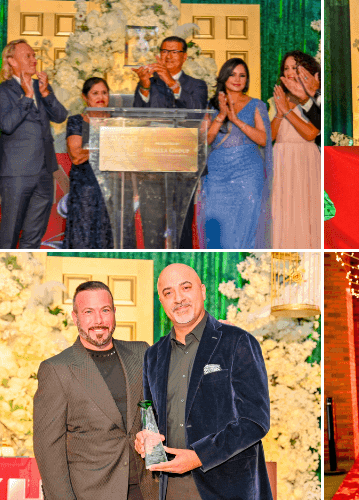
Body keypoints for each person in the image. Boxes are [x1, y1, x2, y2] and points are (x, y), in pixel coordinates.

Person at [135, 263, 272, 500]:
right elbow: (151, 418)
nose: (178, 298)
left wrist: (199, 456)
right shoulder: (153, 355)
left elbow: (255, 421)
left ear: (203, 291)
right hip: (171, 489)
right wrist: (145, 438)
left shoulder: (237, 341)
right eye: (168, 293)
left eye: (185, 287)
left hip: (229, 488)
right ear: (162, 301)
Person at [33, 281, 157, 500]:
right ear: (75, 317)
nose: (98, 320)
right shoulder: (56, 369)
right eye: (88, 312)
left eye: (105, 310)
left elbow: (163, 405)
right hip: (91, 493)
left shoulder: (141, 353)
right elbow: (48, 449)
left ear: (114, 313)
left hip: (146, 490)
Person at [131, 36, 208, 249]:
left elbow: (197, 113)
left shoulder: (196, 85)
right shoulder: (149, 83)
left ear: (184, 57)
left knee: (181, 227)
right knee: (152, 228)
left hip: (183, 168)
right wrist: (145, 87)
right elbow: (137, 118)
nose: (169, 56)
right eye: (165, 51)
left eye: (174, 52)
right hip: (152, 168)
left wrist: (173, 84)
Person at [0, 39, 68, 249]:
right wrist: (27, 97)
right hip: (17, 172)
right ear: (12, 61)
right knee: (10, 233)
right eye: (28, 56)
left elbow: (61, 116)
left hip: (44, 172)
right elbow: (6, 125)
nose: (34, 60)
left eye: (34, 56)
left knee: (34, 235)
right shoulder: (1, 91)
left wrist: (45, 94)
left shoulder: (40, 86)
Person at [201, 58, 272, 249]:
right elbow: (205, 141)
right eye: (232, 74)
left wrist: (236, 120)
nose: (237, 79)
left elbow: (264, 139)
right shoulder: (211, 104)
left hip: (248, 171)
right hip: (217, 173)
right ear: (224, 77)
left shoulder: (257, 104)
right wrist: (222, 116)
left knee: (247, 220)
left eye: (242, 75)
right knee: (217, 222)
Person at [270, 51, 321, 248]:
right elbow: (271, 137)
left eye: (295, 67)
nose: (290, 72)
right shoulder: (277, 98)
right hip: (281, 159)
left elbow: (310, 134)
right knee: (281, 209)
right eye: (287, 68)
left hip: (304, 160)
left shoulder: (313, 99)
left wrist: (287, 110)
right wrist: (279, 111)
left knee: (303, 209)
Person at [63, 77, 114, 249]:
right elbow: (77, 155)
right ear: (85, 97)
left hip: (113, 189)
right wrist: (105, 144)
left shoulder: (118, 121)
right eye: (95, 93)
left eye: (104, 93)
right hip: (85, 189)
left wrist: (92, 147)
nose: (101, 97)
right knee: (82, 237)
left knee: (109, 238)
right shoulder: (77, 121)